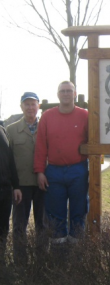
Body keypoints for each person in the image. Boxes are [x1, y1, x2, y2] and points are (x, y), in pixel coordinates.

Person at [34, 81, 88, 250]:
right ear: (58, 94)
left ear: (74, 94)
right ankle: (59, 257)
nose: (65, 94)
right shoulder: (47, 117)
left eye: (69, 91)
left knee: (78, 211)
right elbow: (41, 146)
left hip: (78, 169)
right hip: (54, 172)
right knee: (55, 214)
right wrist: (40, 172)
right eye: (62, 91)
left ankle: (77, 254)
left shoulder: (85, 115)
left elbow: (94, 141)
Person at [6, 92, 45, 264]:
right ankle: (20, 263)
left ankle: (42, 262)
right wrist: (14, 186)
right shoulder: (11, 130)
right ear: (21, 106)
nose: (30, 107)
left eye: (33, 104)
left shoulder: (46, 126)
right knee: (19, 226)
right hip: (21, 186)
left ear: (38, 106)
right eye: (26, 104)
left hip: (43, 184)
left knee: (42, 225)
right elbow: (7, 160)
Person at [0, 126, 22, 262]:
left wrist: (16, 186)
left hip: (5, 190)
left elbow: (10, 160)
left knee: (3, 230)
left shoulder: (2, 130)